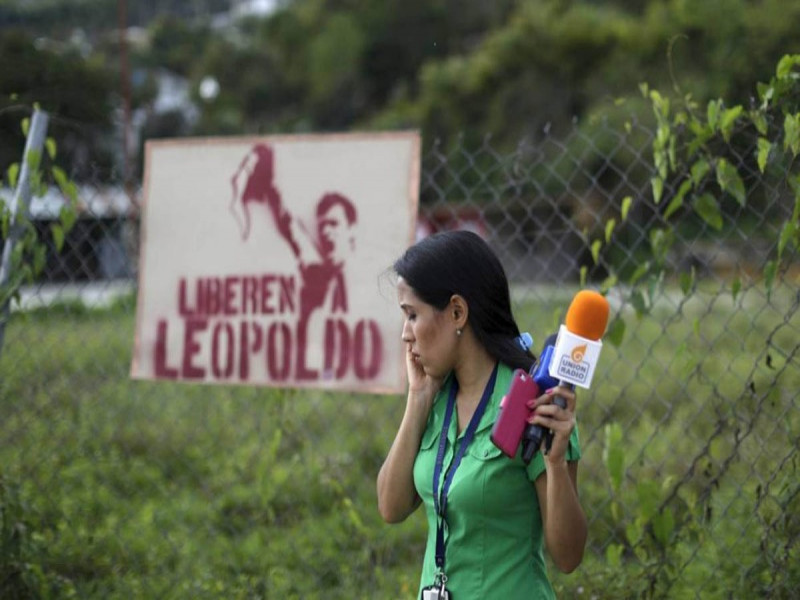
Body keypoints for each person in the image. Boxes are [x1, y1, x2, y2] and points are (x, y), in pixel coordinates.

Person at [376, 230, 586, 599]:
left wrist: (554, 464)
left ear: (457, 311)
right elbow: (391, 507)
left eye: (412, 315)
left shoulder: (535, 403)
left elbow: (568, 557)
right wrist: (418, 397)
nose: (405, 335)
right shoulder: (438, 395)